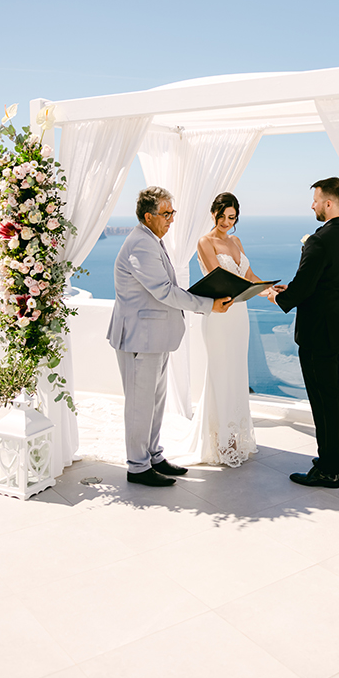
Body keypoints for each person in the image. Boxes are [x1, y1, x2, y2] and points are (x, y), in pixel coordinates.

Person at [107, 186, 231, 487]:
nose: (171, 219)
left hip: (154, 337)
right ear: (148, 216)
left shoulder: (152, 240)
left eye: (172, 213)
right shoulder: (141, 244)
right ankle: (137, 467)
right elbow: (162, 290)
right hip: (139, 338)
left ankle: (153, 455)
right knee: (140, 404)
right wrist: (206, 304)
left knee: (155, 402)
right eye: (166, 214)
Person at [269, 177, 339, 488]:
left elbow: (305, 285)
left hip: (318, 331)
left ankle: (327, 470)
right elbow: (328, 282)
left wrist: (279, 297)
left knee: (323, 400)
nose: (312, 205)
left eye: (316, 200)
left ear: (329, 203)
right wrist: (295, 290)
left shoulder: (319, 240)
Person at [167, 192, 263, 467]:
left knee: (236, 372)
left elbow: (249, 276)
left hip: (239, 315)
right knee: (220, 372)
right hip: (220, 315)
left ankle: (235, 435)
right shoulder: (204, 242)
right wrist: (248, 287)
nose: (226, 222)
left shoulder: (236, 240)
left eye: (232, 218)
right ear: (214, 214)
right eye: (222, 217)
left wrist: (268, 289)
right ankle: (221, 441)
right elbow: (219, 277)